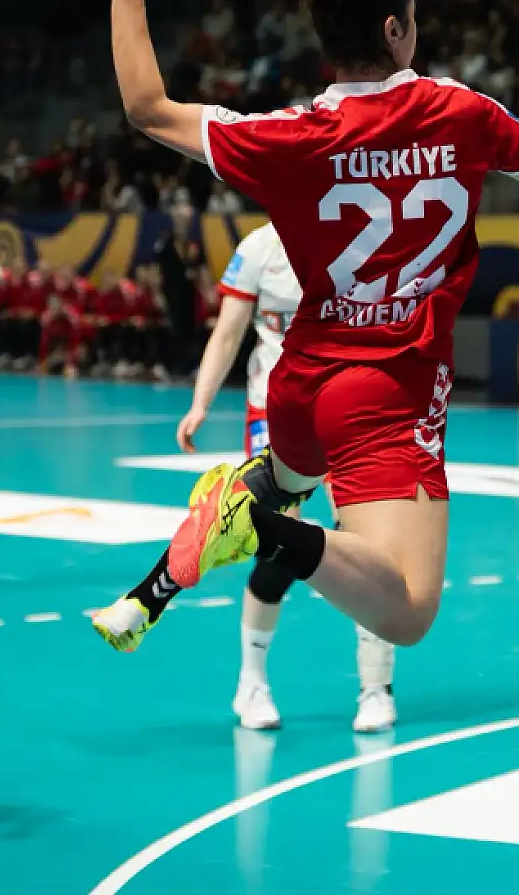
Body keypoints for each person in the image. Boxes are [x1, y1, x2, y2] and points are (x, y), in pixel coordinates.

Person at [89, 0, 519, 653]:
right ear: (396, 30)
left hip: (305, 378)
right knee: (408, 610)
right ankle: (254, 526)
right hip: (389, 388)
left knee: (283, 478)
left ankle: (149, 594)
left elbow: (146, 109)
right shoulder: (465, 113)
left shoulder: (290, 137)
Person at [177, 221, 397, 732]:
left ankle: (376, 689)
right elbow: (228, 331)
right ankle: (251, 684)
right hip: (275, 416)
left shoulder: (360, 238)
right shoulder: (259, 247)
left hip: (351, 411)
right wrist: (200, 402)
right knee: (280, 547)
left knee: (366, 549)